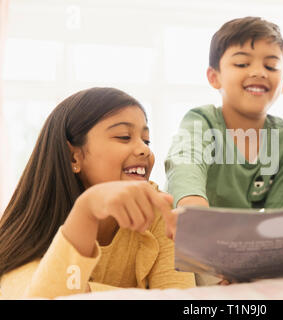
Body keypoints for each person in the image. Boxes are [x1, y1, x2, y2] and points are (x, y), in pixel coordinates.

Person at [0, 87, 195, 299]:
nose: (144, 150)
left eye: (146, 140)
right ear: (74, 157)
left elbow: (182, 300)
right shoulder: (26, 238)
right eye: (123, 137)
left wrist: (89, 291)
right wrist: (86, 209)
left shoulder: (156, 208)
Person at [165, 16, 283, 211]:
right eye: (242, 64)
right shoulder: (202, 121)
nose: (259, 72)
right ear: (214, 77)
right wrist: (192, 206)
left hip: (240, 239)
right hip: (185, 231)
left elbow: (277, 215)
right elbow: (185, 163)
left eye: (271, 66)